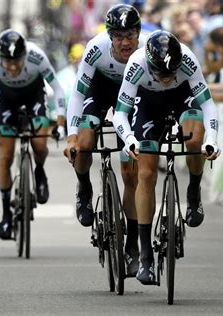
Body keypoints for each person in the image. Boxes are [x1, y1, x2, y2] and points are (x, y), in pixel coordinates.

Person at [113, 30, 220, 285]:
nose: (167, 78)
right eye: (161, 74)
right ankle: (146, 254)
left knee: (194, 138)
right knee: (146, 173)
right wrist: (129, 140)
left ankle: (194, 190)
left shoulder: (188, 60)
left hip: (183, 98)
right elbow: (120, 114)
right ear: (151, 66)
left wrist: (211, 141)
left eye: (171, 73)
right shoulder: (137, 63)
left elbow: (208, 106)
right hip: (148, 104)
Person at [64, 4, 145, 277]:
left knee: (130, 173)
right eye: (118, 36)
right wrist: (72, 136)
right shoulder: (96, 48)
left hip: (132, 96)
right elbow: (77, 95)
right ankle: (84, 187)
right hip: (99, 89)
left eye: (130, 35)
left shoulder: (148, 51)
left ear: (139, 34)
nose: (125, 42)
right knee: (85, 143)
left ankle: (132, 243)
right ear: (110, 35)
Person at [0, 29, 66, 240]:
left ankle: (39, 170)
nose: (12, 67)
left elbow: (57, 89)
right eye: (7, 62)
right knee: (6, 156)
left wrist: (60, 122)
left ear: (24, 56)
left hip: (33, 95)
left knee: (39, 144)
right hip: (7, 98)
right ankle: (5, 214)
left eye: (16, 62)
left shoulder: (37, 56)